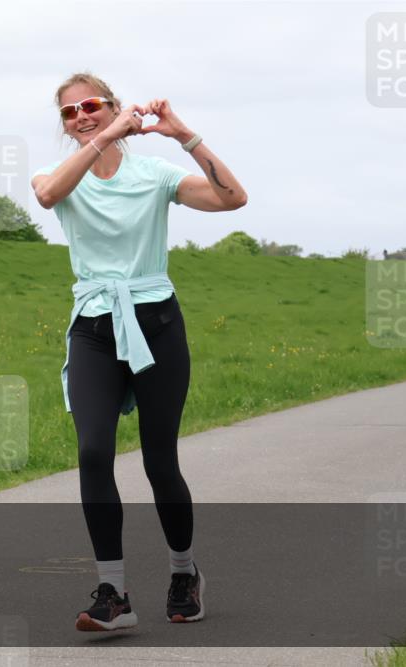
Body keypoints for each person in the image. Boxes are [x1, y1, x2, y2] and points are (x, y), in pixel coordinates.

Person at [31, 73, 247, 630]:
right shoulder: (57, 176)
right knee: (93, 453)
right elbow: (49, 196)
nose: (81, 115)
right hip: (94, 328)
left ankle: (184, 573)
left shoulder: (153, 174)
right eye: (69, 112)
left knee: (159, 461)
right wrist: (107, 137)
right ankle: (114, 593)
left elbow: (233, 198)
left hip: (156, 324)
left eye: (91, 105)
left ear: (113, 107)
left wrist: (183, 135)